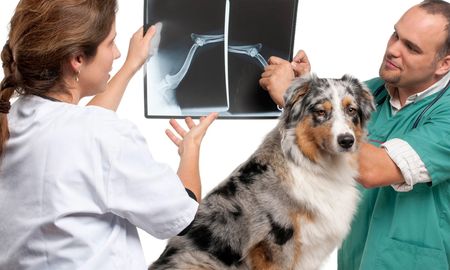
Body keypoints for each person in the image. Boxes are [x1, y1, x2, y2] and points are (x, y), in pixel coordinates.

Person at [0, 0, 217, 269]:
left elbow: (80, 131)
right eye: (111, 43)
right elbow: (183, 217)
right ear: (77, 59)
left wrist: (131, 65)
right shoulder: (99, 135)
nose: (116, 53)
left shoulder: (11, 120)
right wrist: (190, 150)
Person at [260, 0, 450, 269]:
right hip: (357, 259)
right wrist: (306, 83)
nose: (393, 49)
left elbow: (375, 170)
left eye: (411, 48)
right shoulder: (371, 93)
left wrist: (295, 102)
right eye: (396, 34)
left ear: (443, 64)